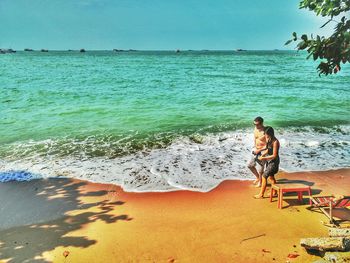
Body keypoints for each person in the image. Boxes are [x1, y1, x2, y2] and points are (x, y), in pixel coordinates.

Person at [254, 126, 280, 199]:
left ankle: (261, 194)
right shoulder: (269, 139)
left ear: (270, 133)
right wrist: (263, 154)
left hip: (274, 162)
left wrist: (263, 158)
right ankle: (275, 192)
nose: (265, 135)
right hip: (269, 160)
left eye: (265, 134)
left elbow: (274, 155)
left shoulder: (275, 142)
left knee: (264, 176)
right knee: (271, 177)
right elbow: (268, 149)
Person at [247, 116, 266, 187]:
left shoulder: (265, 131)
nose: (256, 126)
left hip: (262, 151)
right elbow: (255, 138)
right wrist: (255, 147)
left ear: (262, 123)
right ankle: (257, 177)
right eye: (254, 124)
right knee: (249, 165)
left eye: (257, 124)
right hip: (255, 149)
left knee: (260, 170)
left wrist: (259, 150)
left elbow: (269, 145)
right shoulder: (255, 128)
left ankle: (260, 182)